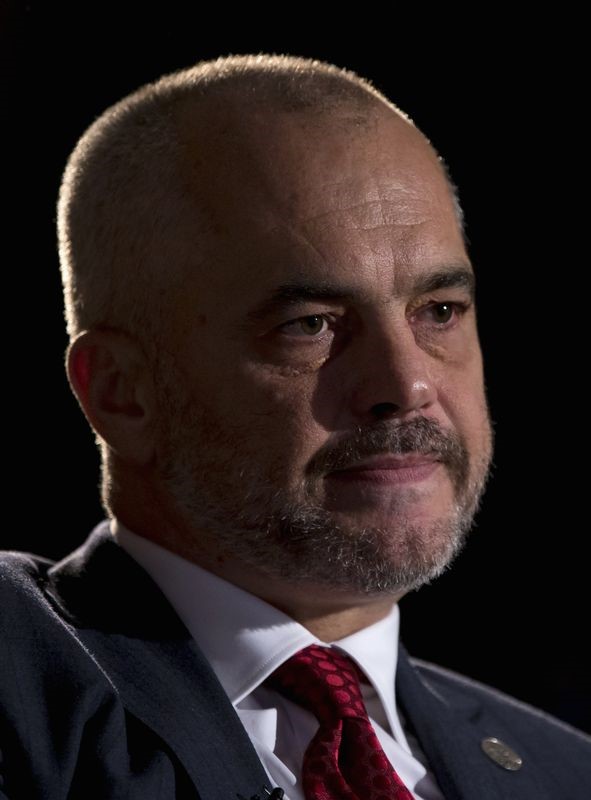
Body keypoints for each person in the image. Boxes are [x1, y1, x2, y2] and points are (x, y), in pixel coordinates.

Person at [0, 53, 589, 800]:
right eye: (309, 325)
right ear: (122, 393)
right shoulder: (20, 671)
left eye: (437, 312)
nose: (405, 386)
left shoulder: (566, 775)